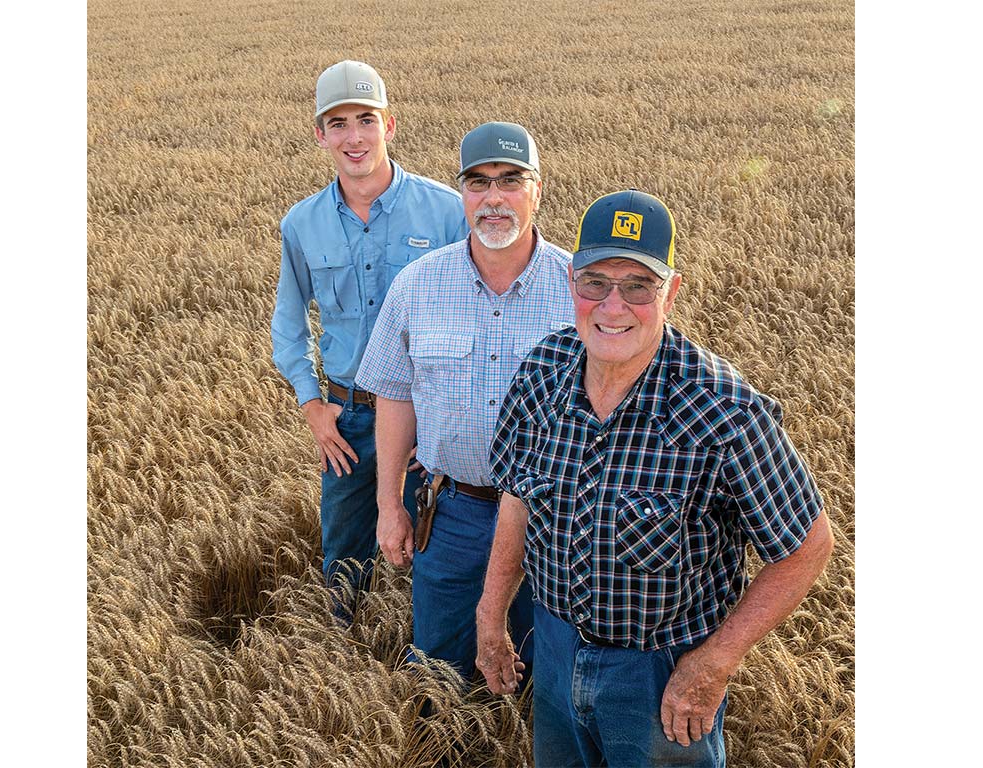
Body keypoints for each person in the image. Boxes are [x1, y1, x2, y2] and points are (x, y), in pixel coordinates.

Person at [475, 189, 834, 766]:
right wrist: (492, 613)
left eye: (638, 286)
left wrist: (713, 664)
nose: (612, 305)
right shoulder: (541, 371)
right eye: (596, 282)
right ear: (572, 281)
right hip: (554, 644)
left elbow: (807, 547)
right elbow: (518, 497)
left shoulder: (723, 411)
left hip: (659, 678)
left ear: (672, 290)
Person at [354, 122, 575, 682]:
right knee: (439, 669)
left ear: (538, 190)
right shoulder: (418, 285)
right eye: (478, 183)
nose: (493, 198)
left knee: (545, 670)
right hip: (451, 513)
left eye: (510, 181)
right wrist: (388, 507)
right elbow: (395, 394)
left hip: (555, 520)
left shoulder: (580, 288)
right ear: (462, 194)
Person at [271, 60, 468, 621]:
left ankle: (426, 665)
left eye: (366, 120)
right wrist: (313, 405)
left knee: (434, 551)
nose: (353, 138)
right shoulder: (301, 224)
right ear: (320, 134)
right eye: (338, 124)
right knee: (345, 563)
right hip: (350, 421)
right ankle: (344, 665)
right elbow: (288, 325)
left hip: (430, 415)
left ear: (390, 124)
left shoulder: (447, 212)